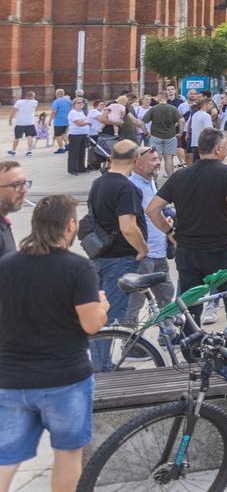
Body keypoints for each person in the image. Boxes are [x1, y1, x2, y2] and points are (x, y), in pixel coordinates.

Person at [0, 194, 108, 492]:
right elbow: (92, 324)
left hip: (11, 379)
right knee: (68, 454)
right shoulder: (78, 268)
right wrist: (102, 306)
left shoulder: (6, 265)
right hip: (64, 379)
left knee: (5, 460)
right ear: (71, 225)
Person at [146, 128, 227, 327]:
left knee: (189, 304)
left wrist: (170, 232)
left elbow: (152, 210)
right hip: (221, 248)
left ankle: (192, 350)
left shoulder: (180, 175)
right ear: (219, 149)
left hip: (187, 250)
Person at [86, 140, 148, 370]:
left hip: (101, 255)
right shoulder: (126, 187)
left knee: (101, 311)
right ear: (136, 160)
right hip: (120, 259)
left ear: (110, 158)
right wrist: (143, 248)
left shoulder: (98, 183)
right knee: (110, 316)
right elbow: (128, 227)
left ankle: (102, 363)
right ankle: (102, 367)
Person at [122, 146, 175, 327]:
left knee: (166, 295)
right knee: (135, 301)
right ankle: (131, 343)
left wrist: (166, 219)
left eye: (158, 159)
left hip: (159, 250)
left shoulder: (151, 181)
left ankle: (168, 334)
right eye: (153, 160)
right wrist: (140, 248)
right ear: (138, 162)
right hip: (143, 254)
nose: (158, 162)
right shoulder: (131, 186)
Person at [8, 92, 37, 157]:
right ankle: (29, 151)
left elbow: (13, 111)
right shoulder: (35, 102)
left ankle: (13, 151)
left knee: (17, 137)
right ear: (32, 97)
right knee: (29, 137)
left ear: (25, 96)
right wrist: (32, 97)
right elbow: (33, 99)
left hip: (19, 123)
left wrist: (10, 120)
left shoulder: (19, 102)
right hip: (30, 123)